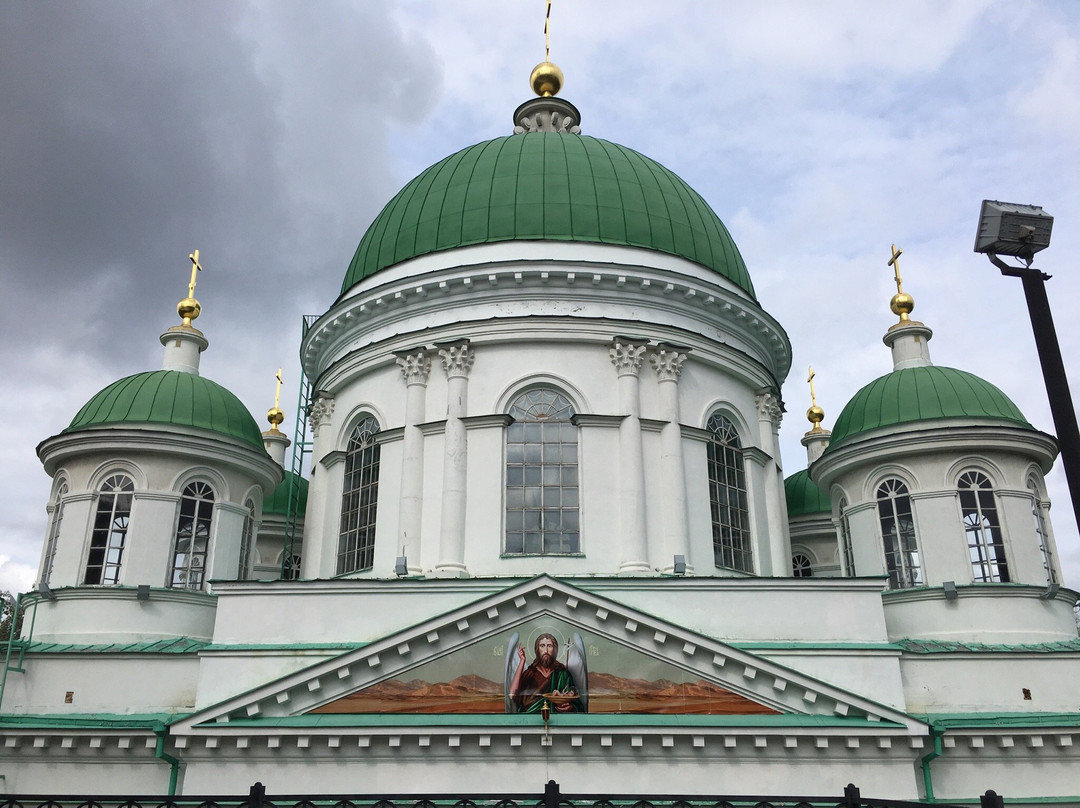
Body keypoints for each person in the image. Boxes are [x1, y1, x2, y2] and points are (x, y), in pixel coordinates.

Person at [509, 633, 584, 713]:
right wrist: (522, 661)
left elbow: (576, 701)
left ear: (554, 650)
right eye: (542, 646)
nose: (546, 651)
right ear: (537, 650)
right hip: (530, 718)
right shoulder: (530, 673)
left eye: (549, 646)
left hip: (557, 718)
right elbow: (512, 694)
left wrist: (571, 707)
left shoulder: (563, 674)